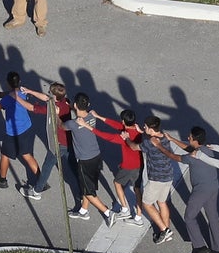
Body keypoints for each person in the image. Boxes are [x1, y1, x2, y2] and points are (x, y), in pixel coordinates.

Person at [151, 127, 219, 253]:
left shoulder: (192, 157)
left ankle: (199, 247)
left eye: (190, 137)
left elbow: (173, 156)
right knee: (213, 216)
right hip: (214, 187)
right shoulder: (206, 150)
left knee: (189, 217)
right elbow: (189, 148)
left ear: (196, 140)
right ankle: (218, 248)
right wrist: (172, 139)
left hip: (200, 191)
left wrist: (159, 145)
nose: (188, 137)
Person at [14, 83, 81, 207]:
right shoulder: (65, 101)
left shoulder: (53, 109)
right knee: (74, 167)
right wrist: (30, 91)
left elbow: (31, 108)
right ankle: (84, 192)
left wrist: (16, 98)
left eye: (50, 92)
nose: (48, 93)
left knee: (46, 167)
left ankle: (37, 191)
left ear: (55, 96)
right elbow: (46, 98)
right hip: (68, 141)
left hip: (57, 143)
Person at [76, 109, 145, 227]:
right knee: (137, 189)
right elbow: (116, 125)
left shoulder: (123, 136)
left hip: (128, 166)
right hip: (139, 164)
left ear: (123, 121)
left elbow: (105, 136)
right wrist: (98, 115)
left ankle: (125, 209)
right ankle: (138, 216)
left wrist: (86, 125)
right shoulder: (136, 129)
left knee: (117, 183)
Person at [59, 93, 116, 228]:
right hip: (96, 156)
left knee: (88, 191)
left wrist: (56, 114)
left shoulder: (72, 124)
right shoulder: (91, 116)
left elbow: (61, 126)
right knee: (87, 186)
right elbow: (81, 113)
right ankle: (83, 211)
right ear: (88, 105)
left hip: (85, 160)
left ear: (74, 105)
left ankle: (108, 212)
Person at [123, 116, 174, 244]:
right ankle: (166, 230)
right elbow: (150, 138)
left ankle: (164, 230)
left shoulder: (149, 143)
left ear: (151, 129)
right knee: (162, 202)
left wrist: (127, 138)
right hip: (168, 176)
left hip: (156, 178)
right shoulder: (164, 137)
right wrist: (142, 132)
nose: (143, 128)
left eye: (145, 127)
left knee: (147, 203)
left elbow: (134, 147)